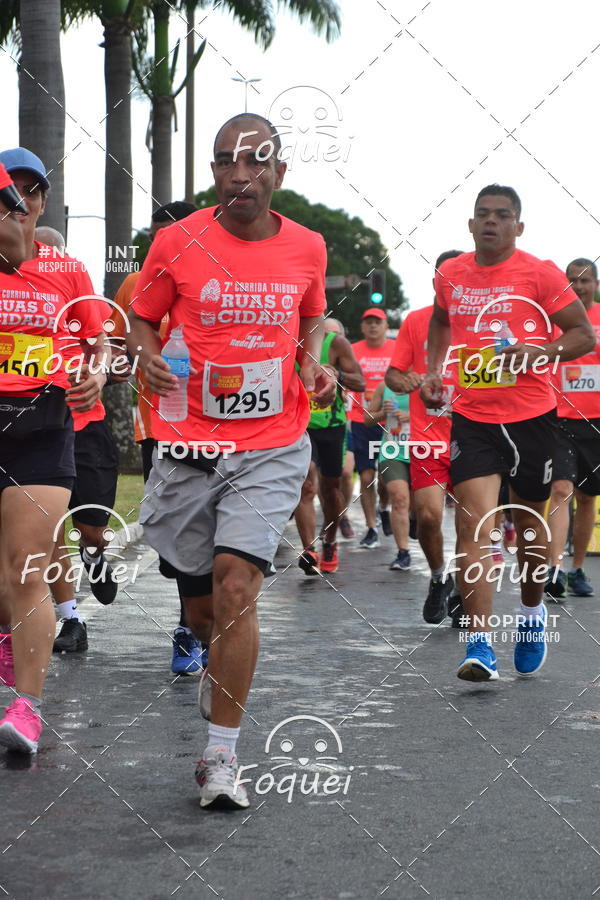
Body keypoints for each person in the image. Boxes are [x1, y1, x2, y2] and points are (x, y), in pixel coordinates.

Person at [127, 114, 334, 808]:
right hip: (188, 443)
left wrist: (315, 363)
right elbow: (141, 315)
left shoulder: (308, 247)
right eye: (224, 162)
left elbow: (308, 318)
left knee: (238, 586)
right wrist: (148, 357)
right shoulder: (176, 242)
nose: (238, 175)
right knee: (203, 612)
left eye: (254, 162)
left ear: (280, 171)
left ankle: (221, 757)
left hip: (272, 443)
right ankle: (217, 678)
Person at [422, 183, 594, 682]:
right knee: (476, 524)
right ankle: (479, 642)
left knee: (529, 525)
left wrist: (540, 353)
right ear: (470, 224)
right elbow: (439, 320)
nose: (491, 222)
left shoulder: (539, 274)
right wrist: (435, 369)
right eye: (482, 215)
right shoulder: (451, 274)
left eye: (501, 215)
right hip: (473, 416)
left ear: (518, 226)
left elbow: (582, 335)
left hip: (532, 416)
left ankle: (532, 612)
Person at [0, 147, 106, 752]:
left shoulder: (67, 270)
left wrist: (96, 373)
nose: (23, 203)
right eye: (10, 193)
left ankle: (28, 708)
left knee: (27, 561)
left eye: (32, 192)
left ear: (44, 201)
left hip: (44, 423)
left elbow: (101, 343)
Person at [110, 200, 203, 675]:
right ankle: (193, 607)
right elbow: (113, 342)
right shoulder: (134, 283)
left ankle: (190, 628)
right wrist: (120, 361)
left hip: (223, 427)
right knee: (174, 539)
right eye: (156, 235)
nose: (164, 243)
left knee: (208, 532)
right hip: (157, 427)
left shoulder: (216, 275)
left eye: (176, 233)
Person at [386, 251, 463, 624]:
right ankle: (438, 578)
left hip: (474, 436)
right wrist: (406, 381)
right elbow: (393, 375)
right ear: (434, 280)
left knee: (473, 523)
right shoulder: (417, 321)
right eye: (442, 278)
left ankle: (465, 591)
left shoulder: (484, 323)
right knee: (430, 518)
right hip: (428, 437)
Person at [546, 258, 600, 599]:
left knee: (587, 497)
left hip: (596, 422)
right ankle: (555, 570)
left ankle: (577, 568)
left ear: (595, 284)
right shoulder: (557, 319)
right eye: (572, 281)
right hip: (558, 417)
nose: (578, 286)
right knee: (560, 491)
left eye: (585, 280)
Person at [294, 323, 364, 574]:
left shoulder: (335, 343)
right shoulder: (287, 338)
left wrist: (337, 375)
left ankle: (330, 540)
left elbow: (361, 382)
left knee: (330, 488)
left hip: (332, 425)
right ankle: (309, 549)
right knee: (305, 484)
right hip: (300, 425)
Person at [346, 308, 396, 548]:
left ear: (386, 326)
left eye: (377, 322)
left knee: (387, 477)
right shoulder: (353, 350)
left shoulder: (396, 349)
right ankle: (371, 528)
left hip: (391, 422)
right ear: (362, 327)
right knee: (366, 476)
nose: (373, 327)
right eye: (368, 323)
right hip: (361, 420)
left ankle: (384, 507)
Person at [365, 382, 411, 569]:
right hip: (392, 450)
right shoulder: (385, 388)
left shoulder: (426, 382)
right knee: (399, 498)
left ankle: (413, 521)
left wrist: (412, 417)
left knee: (422, 511)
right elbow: (367, 419)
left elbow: (443, 412)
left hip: (422, 449)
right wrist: (383, 414)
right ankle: (403, 553)